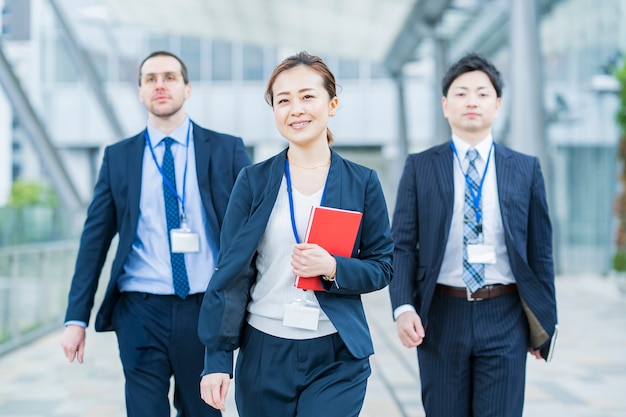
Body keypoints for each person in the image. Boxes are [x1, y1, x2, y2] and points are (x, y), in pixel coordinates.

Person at [197, 51, 393, 417]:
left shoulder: (362, 182)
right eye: (283, 101)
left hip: (336, 354)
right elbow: (230, 273)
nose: (295, 109)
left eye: (307, 96)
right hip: (264, 351)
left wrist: (334, 267)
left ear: (332, 104)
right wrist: (217, 358)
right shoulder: (252, 182)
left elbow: (382, 266)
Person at [60, 50, 251, 417]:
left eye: (169, 77)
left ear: (187, 88)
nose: (160, 85)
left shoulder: (226, 149)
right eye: (150, 79)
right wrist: (75, 318)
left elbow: (250, 231)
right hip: (139, 311)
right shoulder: (119, 157)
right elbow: (94, 241)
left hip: (203, 309)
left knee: (203, 411)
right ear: (140, 92)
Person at [389, 53, 558, 417]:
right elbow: (401, 245)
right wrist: (403, 307)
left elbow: (540, 250)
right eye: (461, 93)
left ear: (497, 105)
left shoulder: (525, 169)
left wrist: (546, 321)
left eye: (482, 94)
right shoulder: (420, 167)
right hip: (440, 315)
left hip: (505, 314)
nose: (471, 102)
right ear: (445, 105)